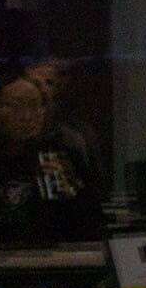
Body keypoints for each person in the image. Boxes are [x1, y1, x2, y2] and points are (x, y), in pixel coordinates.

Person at [0, 73, 102, 245]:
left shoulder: (61, 154)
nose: (26, 116)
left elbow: (92, 226)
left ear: (44, 113)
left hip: (50, 256)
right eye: (14, 106)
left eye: (34, 106)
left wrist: (73, 191)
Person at [21, 57, 102, 191]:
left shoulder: (74, 137)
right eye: (35, 83)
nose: (42, 89)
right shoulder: (9, 133)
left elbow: (94, 188)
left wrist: (71, 184)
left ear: (59, 89)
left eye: (49, 83)